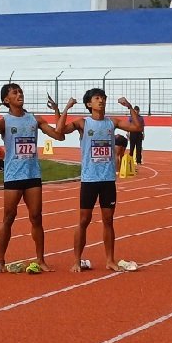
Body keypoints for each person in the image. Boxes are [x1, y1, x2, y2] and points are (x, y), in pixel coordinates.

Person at [57, 89, 142, 272]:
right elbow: (60, 131)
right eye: (97, 98)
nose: (101, 101)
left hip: (107, 179)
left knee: (108, 220)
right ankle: (76, 260)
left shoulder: (112, 122)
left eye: (103, 98)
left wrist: (129, 107)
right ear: (89, 104)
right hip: (89, 179)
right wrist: (66, 108)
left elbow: (137, 128)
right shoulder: (83, 123)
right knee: (84, 220)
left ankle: (110, 260)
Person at [0, 84, 65, 272]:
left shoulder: (34, 119)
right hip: (13, 175)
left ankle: (41, 259)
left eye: (20, 92)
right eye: (15, 93)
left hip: (32, 175)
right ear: (7, 100)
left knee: (36, 217)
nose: (19, 94)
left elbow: (59, 136)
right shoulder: (4, 121)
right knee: (8, 217)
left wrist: (57, 111)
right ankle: (1, 260)